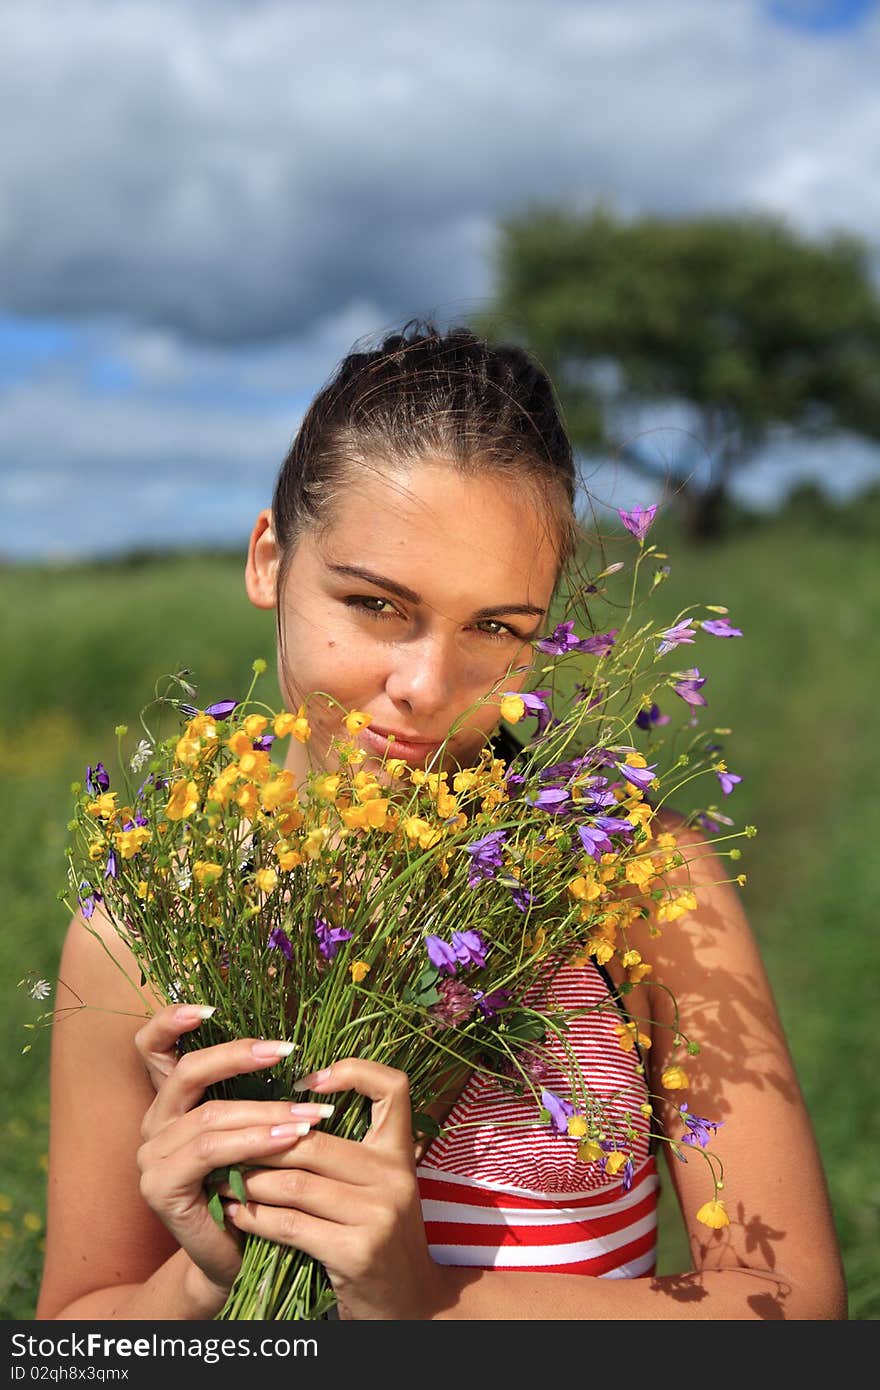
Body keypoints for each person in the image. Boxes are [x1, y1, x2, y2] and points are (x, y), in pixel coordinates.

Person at [36, 322, 846, 1321]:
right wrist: (198, 1279)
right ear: (267, 559)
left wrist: (424, 1310)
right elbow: (74, 1333)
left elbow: (789, 1304)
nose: (425, 686)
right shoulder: (144, 927)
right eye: (376, 604)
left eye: (497, 629)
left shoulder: (634, 883)